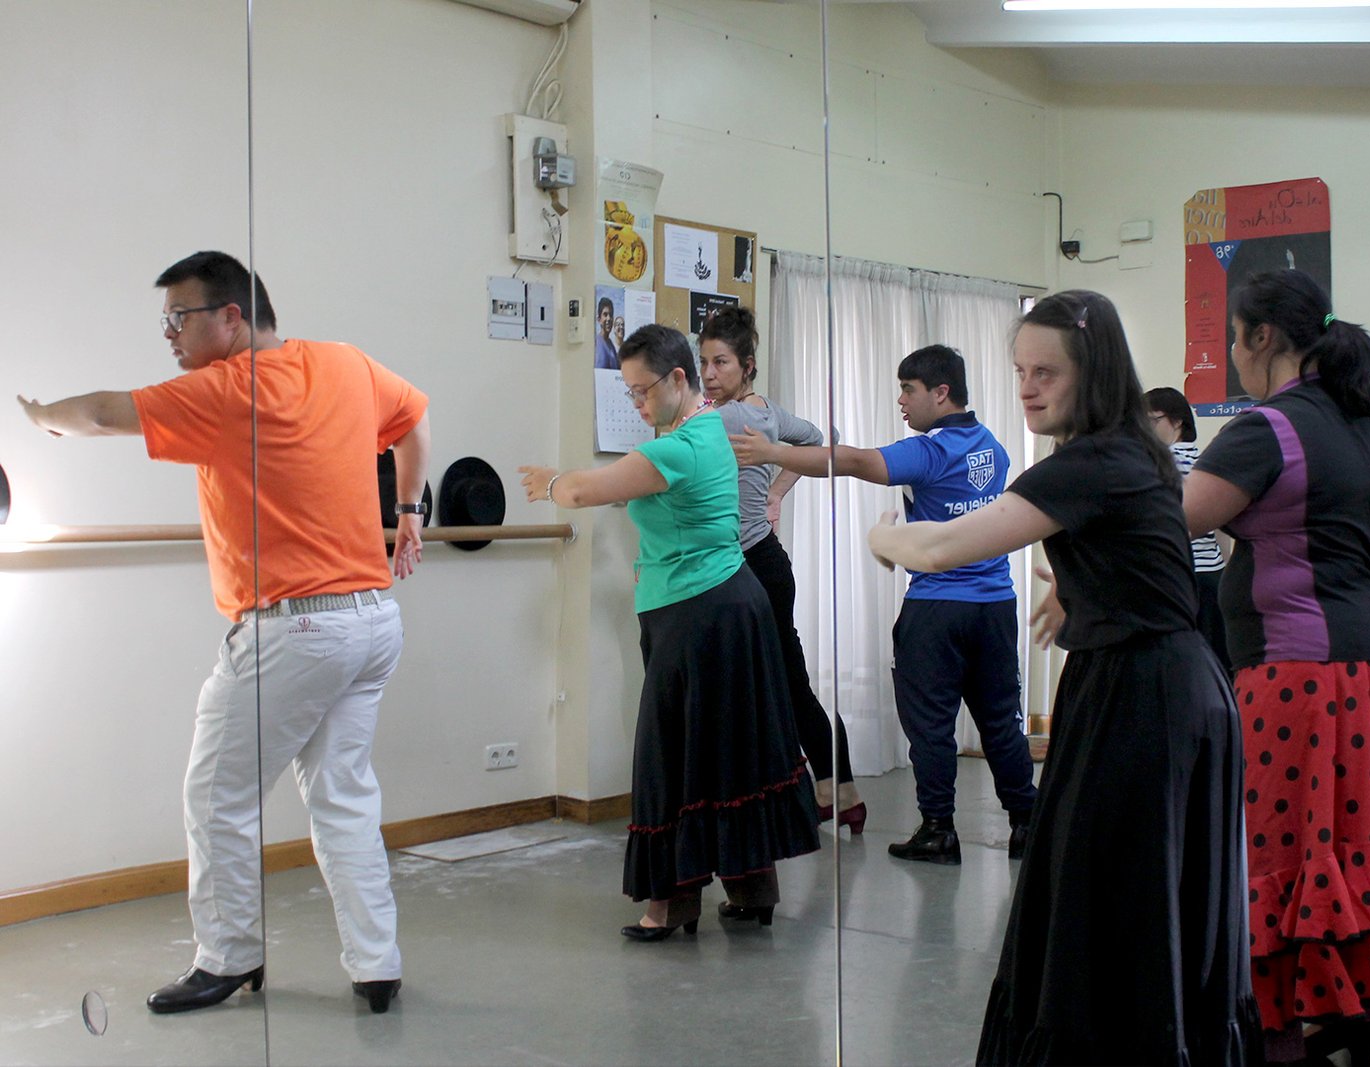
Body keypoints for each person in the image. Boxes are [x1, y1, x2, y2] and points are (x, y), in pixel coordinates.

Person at [17, 251, 428, 1015]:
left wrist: (40, 416)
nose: (169, 335)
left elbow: (106, 413)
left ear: (232, 317)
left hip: (295, 629)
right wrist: (409, 512)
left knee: (218, 795)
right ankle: (377, 964)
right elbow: (414, 419)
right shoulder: (344, 364)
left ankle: (229, 956)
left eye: (181, 317)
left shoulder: (229, 387)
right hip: (372, 621)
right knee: (343, 797)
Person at [869, 291, 1257, 1065]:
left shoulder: (1093, 458)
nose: (1028, 386)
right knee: (1122, 889)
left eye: (1047, 371)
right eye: (1020, 370)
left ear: (1094, 370)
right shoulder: (1123, 448)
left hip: (1146, 694)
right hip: (1155, 679)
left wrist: (888, 536)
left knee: (1111, 891)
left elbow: (949, 546)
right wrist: (1076, 591)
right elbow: (1133, 544)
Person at [1184, 269, 1370, 1064]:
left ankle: (1280, 1027)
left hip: (1291, 675)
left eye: (1235, 336)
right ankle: (1354, 1005)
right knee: (1354, 839)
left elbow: (1170, 524)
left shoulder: (1263, 428)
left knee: (1280, 849)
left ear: (1262, 337)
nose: (1234, 353)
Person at [518, 324, 819, 939]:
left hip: (697, 616)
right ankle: (749, 888)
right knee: (726, 752)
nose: (636, 404)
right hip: (728, 605)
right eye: (628, 393)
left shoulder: (677, 449)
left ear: (677, 379)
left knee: (672, 757)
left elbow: (579, 491)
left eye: (641, 391)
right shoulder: (708, 429)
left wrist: (550, 481)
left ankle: (670, 902)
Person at [732, 345, 1037, 865]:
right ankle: (1027, 824)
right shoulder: (994, 446)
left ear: (941, 393)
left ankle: (939, 829)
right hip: (995, 606)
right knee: (1000, 722)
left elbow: (853, 460)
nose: (901, 400)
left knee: (931, 726)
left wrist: (775, 453)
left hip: (938, 609)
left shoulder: (932, 450)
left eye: (909, 390)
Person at [698, 307, 865, 833]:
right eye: (703, 362)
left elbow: (659, 454)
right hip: (763, 561)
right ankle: (843, 793)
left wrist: (773, 490)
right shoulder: (765, 412)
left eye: (720, 363)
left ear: (747, 365)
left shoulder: (724, 418)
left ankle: (811, 792)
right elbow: (822, 437)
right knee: (790, 682)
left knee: (776, 685)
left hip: (750, 566)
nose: (709, 374)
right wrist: (775, 492)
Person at [1145, 385, 1230, 670]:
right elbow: (1222, 532)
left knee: (1178, 667)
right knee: (1213, 665)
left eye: (1151, 421)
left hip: (1179, 578)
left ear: (1177, 421)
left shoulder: (1163, 463)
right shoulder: (1206, 462)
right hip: (1211, 577)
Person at [595, 296, 619, 369]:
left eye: (610, 315)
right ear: (599, 319)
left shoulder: (611, 345)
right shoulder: (596, 343)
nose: (608, 319)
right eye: (605, 315)